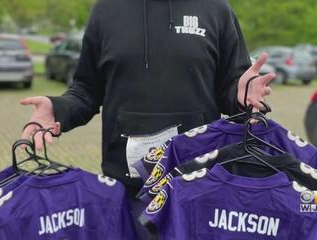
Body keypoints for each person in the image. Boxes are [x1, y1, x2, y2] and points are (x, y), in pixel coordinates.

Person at [21, 0, 274, 238]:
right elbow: (86, 89)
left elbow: (232, 86)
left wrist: (244, 97)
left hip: (197, 189)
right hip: (127, 191)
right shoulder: (106, 9)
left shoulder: (215, 8)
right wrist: (58, 109)